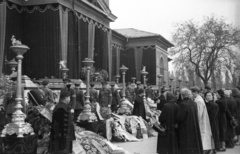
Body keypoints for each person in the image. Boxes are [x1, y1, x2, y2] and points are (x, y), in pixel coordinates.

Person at [176, 88, 203, 154]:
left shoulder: (183, 104)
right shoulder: (194, 103)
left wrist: (176, 121)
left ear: (182, 95)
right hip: (193, 125)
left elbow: (180, 117)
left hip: (185, 126)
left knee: (185, 144)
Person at [190, 86, 213, 154]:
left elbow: (199, 114)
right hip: (202, 121)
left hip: (201, 121)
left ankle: (204, 150)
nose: (191, 94)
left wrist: (195, 121)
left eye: (191, 93)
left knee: (202, 135)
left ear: (195, 92)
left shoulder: (198, 101)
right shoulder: (197, 99)